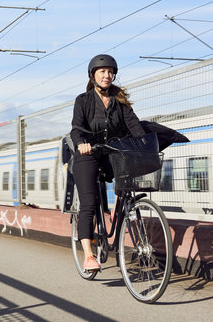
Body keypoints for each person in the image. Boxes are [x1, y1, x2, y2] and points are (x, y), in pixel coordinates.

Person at [70, 54, 145, 271]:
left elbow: (134, 125)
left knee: (128, 172)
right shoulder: (83, 100)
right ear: (93, 75)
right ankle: (89, 256)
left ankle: (115, 207)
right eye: (103, 71)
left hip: (112, 152)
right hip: (88, 154)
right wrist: (81, 144)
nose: (107, 75)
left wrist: (143, 142)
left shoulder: (120, 102)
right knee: (89, 203)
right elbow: (76, 128)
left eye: (111, 72)